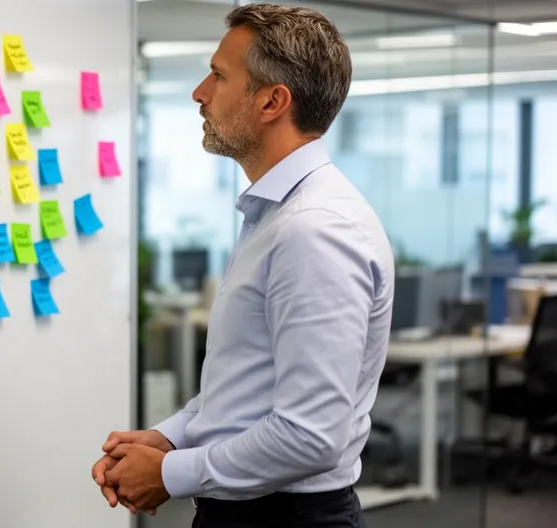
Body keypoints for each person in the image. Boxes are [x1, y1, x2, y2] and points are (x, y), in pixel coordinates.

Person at [92, 4, 394, 527]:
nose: (199, 93)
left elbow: (310, 436)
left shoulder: (313, 228)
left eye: (218, 75)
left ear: (273, 101)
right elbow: (247, 388)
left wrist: (168, 473)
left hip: (283, 516)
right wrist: (171, 436)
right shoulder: (278, 213)